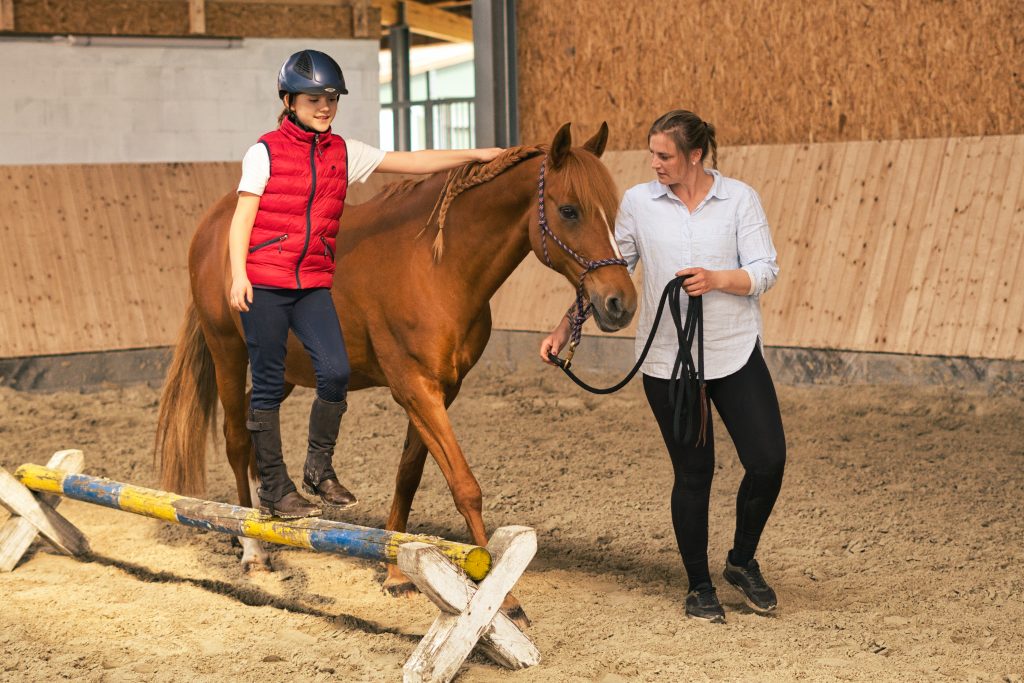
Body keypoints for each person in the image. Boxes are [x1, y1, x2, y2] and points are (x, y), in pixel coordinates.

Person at [229, 50, 501, 519]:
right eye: (315, 98)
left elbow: (412, 162)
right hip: (267, 285)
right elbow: (242, 220)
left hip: (313, 284)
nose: (325, 106)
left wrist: (475, 154)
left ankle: (318, 467)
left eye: (332, 98)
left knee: (334, 373)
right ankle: (274, 487)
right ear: (290, 100)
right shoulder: (264, 152)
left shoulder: (343, 152)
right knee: (270, 386)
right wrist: (238, 274)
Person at [540, 110, 786, 623]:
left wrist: (719, 278)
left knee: (768, 461)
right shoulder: (636, 204)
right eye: (652, 153)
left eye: (664, 155)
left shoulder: (738, 199)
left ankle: (741, 561)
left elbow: (765, 270)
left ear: (695, 156)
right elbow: (611, 270)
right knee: (694, 473)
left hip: (734, 351)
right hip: (669, 362)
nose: (654, 163)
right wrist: (567, 328)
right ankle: (699, 586)